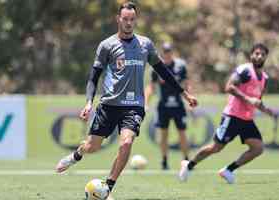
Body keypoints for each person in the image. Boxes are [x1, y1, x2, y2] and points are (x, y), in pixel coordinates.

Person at [55, 1, 198, 194]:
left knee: (127, 142)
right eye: (125, 19)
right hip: (108, 104)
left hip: (134, 106)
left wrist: (185, 94)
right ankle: (77, 155)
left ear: (135, 20)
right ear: (118, 19)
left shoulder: (145, 44)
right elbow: (93, 77)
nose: (129, 23)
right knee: (92, 146)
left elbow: (163, 71)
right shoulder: (106, 45)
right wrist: (89, 102)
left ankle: (108, 188)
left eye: (132, 19)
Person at [179, 43, 275, 184]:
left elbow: (257, 100)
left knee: (258, 148)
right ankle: (189, 165)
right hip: (233, 116)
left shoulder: (265, 78)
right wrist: (248, 99)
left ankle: (228, 170)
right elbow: (229, 87)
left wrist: (265, 110)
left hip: (247, 119)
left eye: (262, 54)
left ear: (266, 57)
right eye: (257, 53)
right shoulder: (245, 70)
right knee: (216, 148)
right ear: (251, 55)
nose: (259, 56)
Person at [145, 42, 191, 170]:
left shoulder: (180, 66)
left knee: (182, 133)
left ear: (172, 52)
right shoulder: (157, 67)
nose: (167, 54)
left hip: (178, 105)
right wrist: (146, 103)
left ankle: (186, 160)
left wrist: (189, 101)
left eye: (169, 51)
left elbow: (186, 84)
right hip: (163, 106)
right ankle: (164, 161)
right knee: (164, 134)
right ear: (162, 52)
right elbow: (151, 87)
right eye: (165, 51)